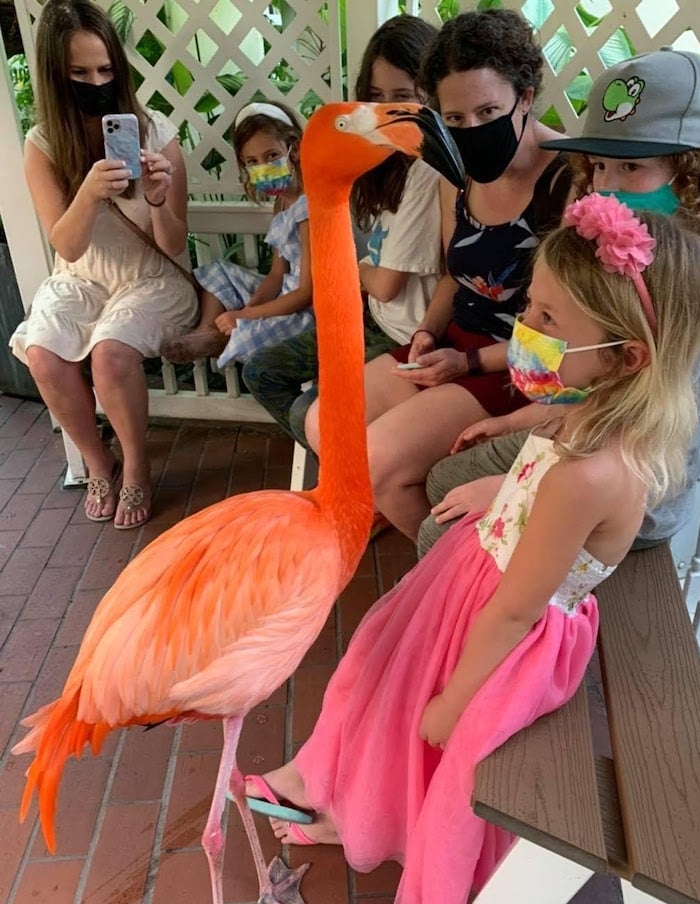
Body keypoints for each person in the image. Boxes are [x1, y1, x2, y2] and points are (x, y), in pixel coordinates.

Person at [244, 198, 700, 904]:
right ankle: (331, 786)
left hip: (500, 630)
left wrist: (455, 700)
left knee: (411, 703)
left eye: (550, 322)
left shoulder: (591, 477)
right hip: (483, 575)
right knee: (376, 659)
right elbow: (560, 437)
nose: (526, 329)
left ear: (628, 356)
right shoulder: (603, 408)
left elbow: (517, 611)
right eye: (532, 305)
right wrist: (506, 456)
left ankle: (363, 809)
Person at [418, 47, 700, 558]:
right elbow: (592, 385)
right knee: (444, 481)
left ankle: (515, 629)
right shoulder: (626, 254)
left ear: (692, 174)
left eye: (631, 167)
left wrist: (516, 494)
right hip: (576, 434)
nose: (605, 187)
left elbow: (634, 437)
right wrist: (519, 420)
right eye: (598, 166)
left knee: (440, 533)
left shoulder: (686, 287)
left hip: (629, 492)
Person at [303, 8, 573, 540]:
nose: (471, 130)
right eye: (454, 118)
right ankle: (414, 519)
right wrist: (427, 332)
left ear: (525, 96)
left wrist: (468, 360)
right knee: (323, 425)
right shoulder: (460, 172)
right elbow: (456, 275)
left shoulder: (569, 181)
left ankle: (451, 574)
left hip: (522, 364)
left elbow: (564, 334)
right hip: (452, 346)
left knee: (376, 459)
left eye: (488, 110)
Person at [10, 0, 198, 529]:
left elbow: (176, 245)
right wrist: (89, 194)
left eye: (105, 69)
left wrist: (159, 200)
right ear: (55, 75)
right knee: (43, 355)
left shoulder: (154, 131)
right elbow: (66, 247)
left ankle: (136, 468)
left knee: (110, 355)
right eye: (79, 72)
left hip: (149, 277)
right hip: (83, 276)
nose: (96, 82)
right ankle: (99, 460)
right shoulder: (43, 143)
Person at [241, 14, 442, 446]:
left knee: (308, 412)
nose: (384, 110)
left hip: (406, 334)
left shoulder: (425, 173)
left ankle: (358, 489)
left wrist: (352, 266)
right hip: (371, 317)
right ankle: (345, 473)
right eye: (375, 98)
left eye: (402, 97)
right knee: (261, 370)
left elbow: (384, 282)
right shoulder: (371, 167)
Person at [161, 101, 313, 371]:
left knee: (255, 336)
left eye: (271, 156)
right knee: (219, 271)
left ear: (295, 149)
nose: (262, 167)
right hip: (283, 292)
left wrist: (245, 316)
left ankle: (220, 340)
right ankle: (207, 330)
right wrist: (249, 310)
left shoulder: (309, 208)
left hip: (307, 309)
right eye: (252, 162)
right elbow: (277, 274)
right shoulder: (282, 203)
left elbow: (306, 293)